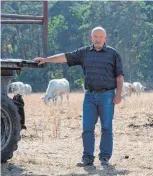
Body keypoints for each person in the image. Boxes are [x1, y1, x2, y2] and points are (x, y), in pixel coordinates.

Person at [33, 26, 124, 167]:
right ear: (91, 37)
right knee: (87, 128)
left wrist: (118, 95)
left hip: (107, 96)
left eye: (101, 37)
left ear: (106, 38)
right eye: (96, 36)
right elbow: (65, 56)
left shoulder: (113, 54)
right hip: (89, 96)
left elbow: (119, 76)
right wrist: (46, 59)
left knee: (106, 127)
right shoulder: (84, 53)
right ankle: (87, 158)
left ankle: (104, 158)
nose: (98, 39)